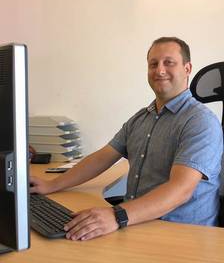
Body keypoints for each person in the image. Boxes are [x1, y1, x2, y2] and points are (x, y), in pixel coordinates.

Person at [30, 37, 223, 241]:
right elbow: (102, 157)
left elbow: (180, 190)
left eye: (169, 62)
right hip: (138, 222)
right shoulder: (141, 118)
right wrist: (52, 185)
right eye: (153, 64)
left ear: (187, 68)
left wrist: (117, 215)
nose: (160, 70)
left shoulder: (200, 121)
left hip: (183, 234)